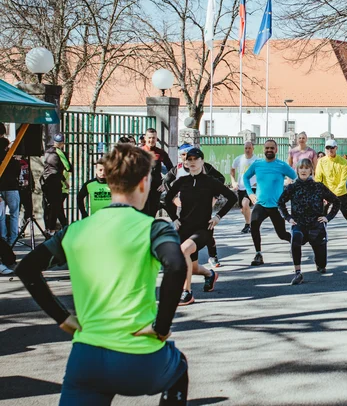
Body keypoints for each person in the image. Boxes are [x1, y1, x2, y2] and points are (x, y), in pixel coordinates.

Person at [15, 143, 190, 405]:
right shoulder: (154, 228)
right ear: (144, 182)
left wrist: (62, 317)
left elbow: (26, 268)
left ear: (108, 181)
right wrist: (161, 327)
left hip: (87, 358)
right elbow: (177, 265)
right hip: (139, 356)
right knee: (179, 367)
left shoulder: (75, 230)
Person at [165, 148, 236, 306]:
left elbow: (232, 197)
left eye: (195, 159)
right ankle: (210, 274)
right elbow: (166, 199)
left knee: (184, 251)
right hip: (184, 229)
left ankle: (187, 293)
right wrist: (175, 218)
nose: (192, 162)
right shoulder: (182, 182)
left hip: (203, 230)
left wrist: (218, 217)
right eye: (189, 159)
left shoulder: (210, 182)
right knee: (193, 266)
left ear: (202, 161)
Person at [163, 144, 226, 268]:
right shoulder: (177, 169)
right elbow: (166, 181)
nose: (188, 159)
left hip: (202, 204)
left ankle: (212, 256)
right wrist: (174, 198)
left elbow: (221, 178)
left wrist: (215, 196)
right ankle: (188, 261)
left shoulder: (204, 167)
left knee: (207, 232)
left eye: (191, 156)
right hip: (184, 204)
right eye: (184, 156)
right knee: (183, 232)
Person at [278, 158, 340, 284]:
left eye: (307, 168)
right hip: (299, 223)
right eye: (301, 168)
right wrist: (288, 217)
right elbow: (280, 202)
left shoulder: (318, 186)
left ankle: (319, 263)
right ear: (297, 170)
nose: (304, 170)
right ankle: (298, 273)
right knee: (295, 238)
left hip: (316, 225)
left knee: (322, 265)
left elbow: (337, 201)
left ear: (311, 170)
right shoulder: (292, 187)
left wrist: (327, 217)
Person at [243, 139, 297, 266]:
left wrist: (291, 194)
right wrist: (250, 193)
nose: (269, 150)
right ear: (263, 149)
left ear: (276, 150)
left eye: (272, 148)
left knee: (282, 234)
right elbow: (245, 177)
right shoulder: (257, 164)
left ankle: (295, 244)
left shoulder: (282, 165)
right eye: (267, 148)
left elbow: (296, 178)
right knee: (254, 224)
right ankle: (258, 254)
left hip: (277, 206)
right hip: (261, 204)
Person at [316, 139, 347, 234]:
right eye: (327, 148)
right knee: (322, 214)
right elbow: (318, 178)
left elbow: (343, 180)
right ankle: (322, 231)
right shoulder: (321, 162)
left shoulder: (343, 162)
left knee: (346, 214)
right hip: (326, 193)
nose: (330, 150)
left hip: (340, 193)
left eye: (332, 148)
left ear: (336, 148)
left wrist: (334, 195)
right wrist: (322, 194)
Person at [41, 132, 72, 236]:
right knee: (56, 206)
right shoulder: (59, 152)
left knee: (50, 207)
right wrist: (64, 180)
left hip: (46, 182)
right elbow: (68, 167)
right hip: (56, 183)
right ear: (62, 143)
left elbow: (48, 168)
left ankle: (49, 229)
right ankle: (53, 229)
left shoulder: (47, 152)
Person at [142, 128, 173, 217]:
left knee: (152, 213)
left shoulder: (161, 153)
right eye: (149, 137)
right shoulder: (138, 152)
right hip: (141, 189)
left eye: (153, 138)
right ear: (145, 138)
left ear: (156, 139)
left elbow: (172, 170)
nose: (151, 140)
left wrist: (165, 184)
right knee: (142, 213)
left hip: (155, 189)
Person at [231, 141, 258, 234]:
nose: (247, 150)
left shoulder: (256, 160)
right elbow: (232, 169)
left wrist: (258, 183)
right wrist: (233, 182)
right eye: (246, 148)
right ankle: (251, 223)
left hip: (251, 187)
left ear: (253, 149)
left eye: (249, 148)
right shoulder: (239, 159)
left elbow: (262, 173)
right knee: (243, 209)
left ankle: (248, 225)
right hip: (241, 187)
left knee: (245, 203)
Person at [0, 139, 21, 244]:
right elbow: (17, 172)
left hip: (1, 188)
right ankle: (13, 239)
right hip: (12, 187)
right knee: (14, 214)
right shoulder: (12, 160)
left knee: (1, 216)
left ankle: (2, 238)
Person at [17, 155, 34, 226]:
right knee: (16, 210)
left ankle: (22, 226)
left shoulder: (26, 161)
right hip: (16, 188)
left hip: (26, 188)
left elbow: (29, 173)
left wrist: (32, 183)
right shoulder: (12, 161)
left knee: (29, 210)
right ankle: (16, 228)